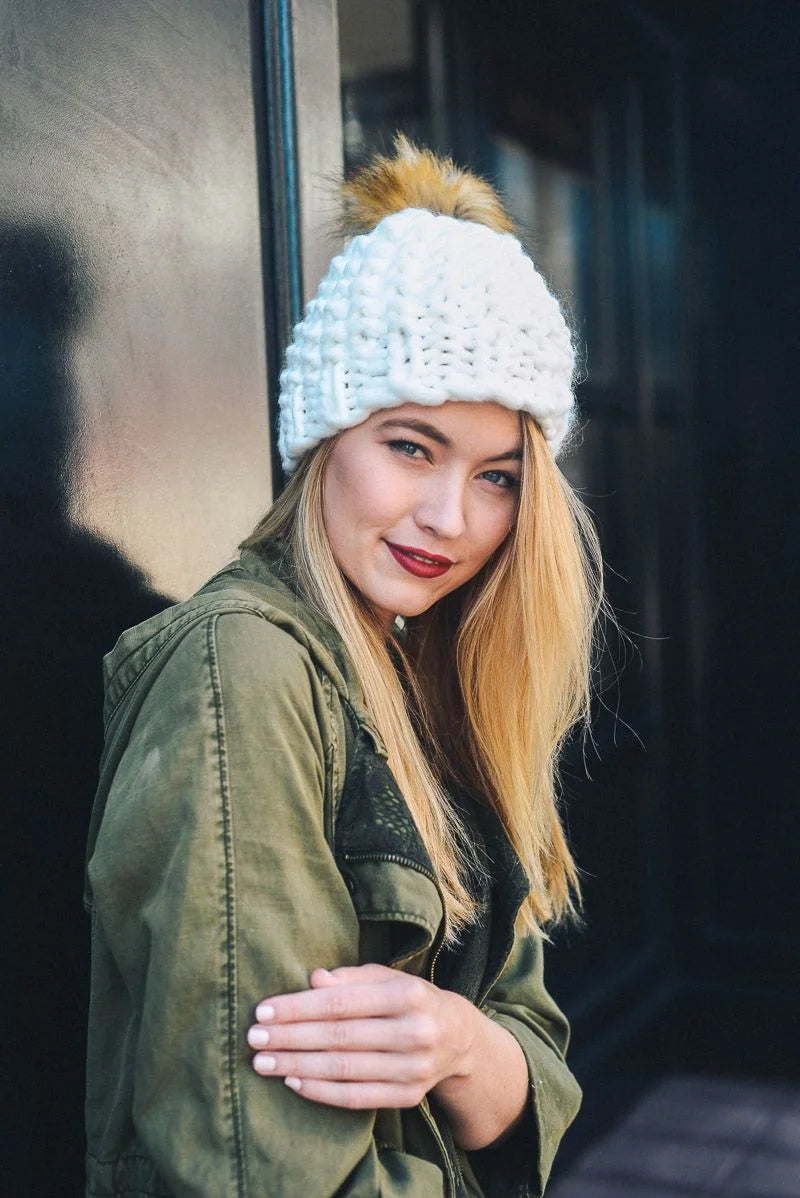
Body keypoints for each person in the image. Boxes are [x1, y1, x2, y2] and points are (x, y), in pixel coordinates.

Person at [84, 136, 604, 1198]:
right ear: (326, 438)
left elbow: (537, 1070)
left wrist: (459, 1043)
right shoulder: (246, 671)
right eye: (410, 446)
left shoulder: (432, 681)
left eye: (497, 475)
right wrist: (474, 1051)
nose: (449, 518)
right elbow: (253, 1165)